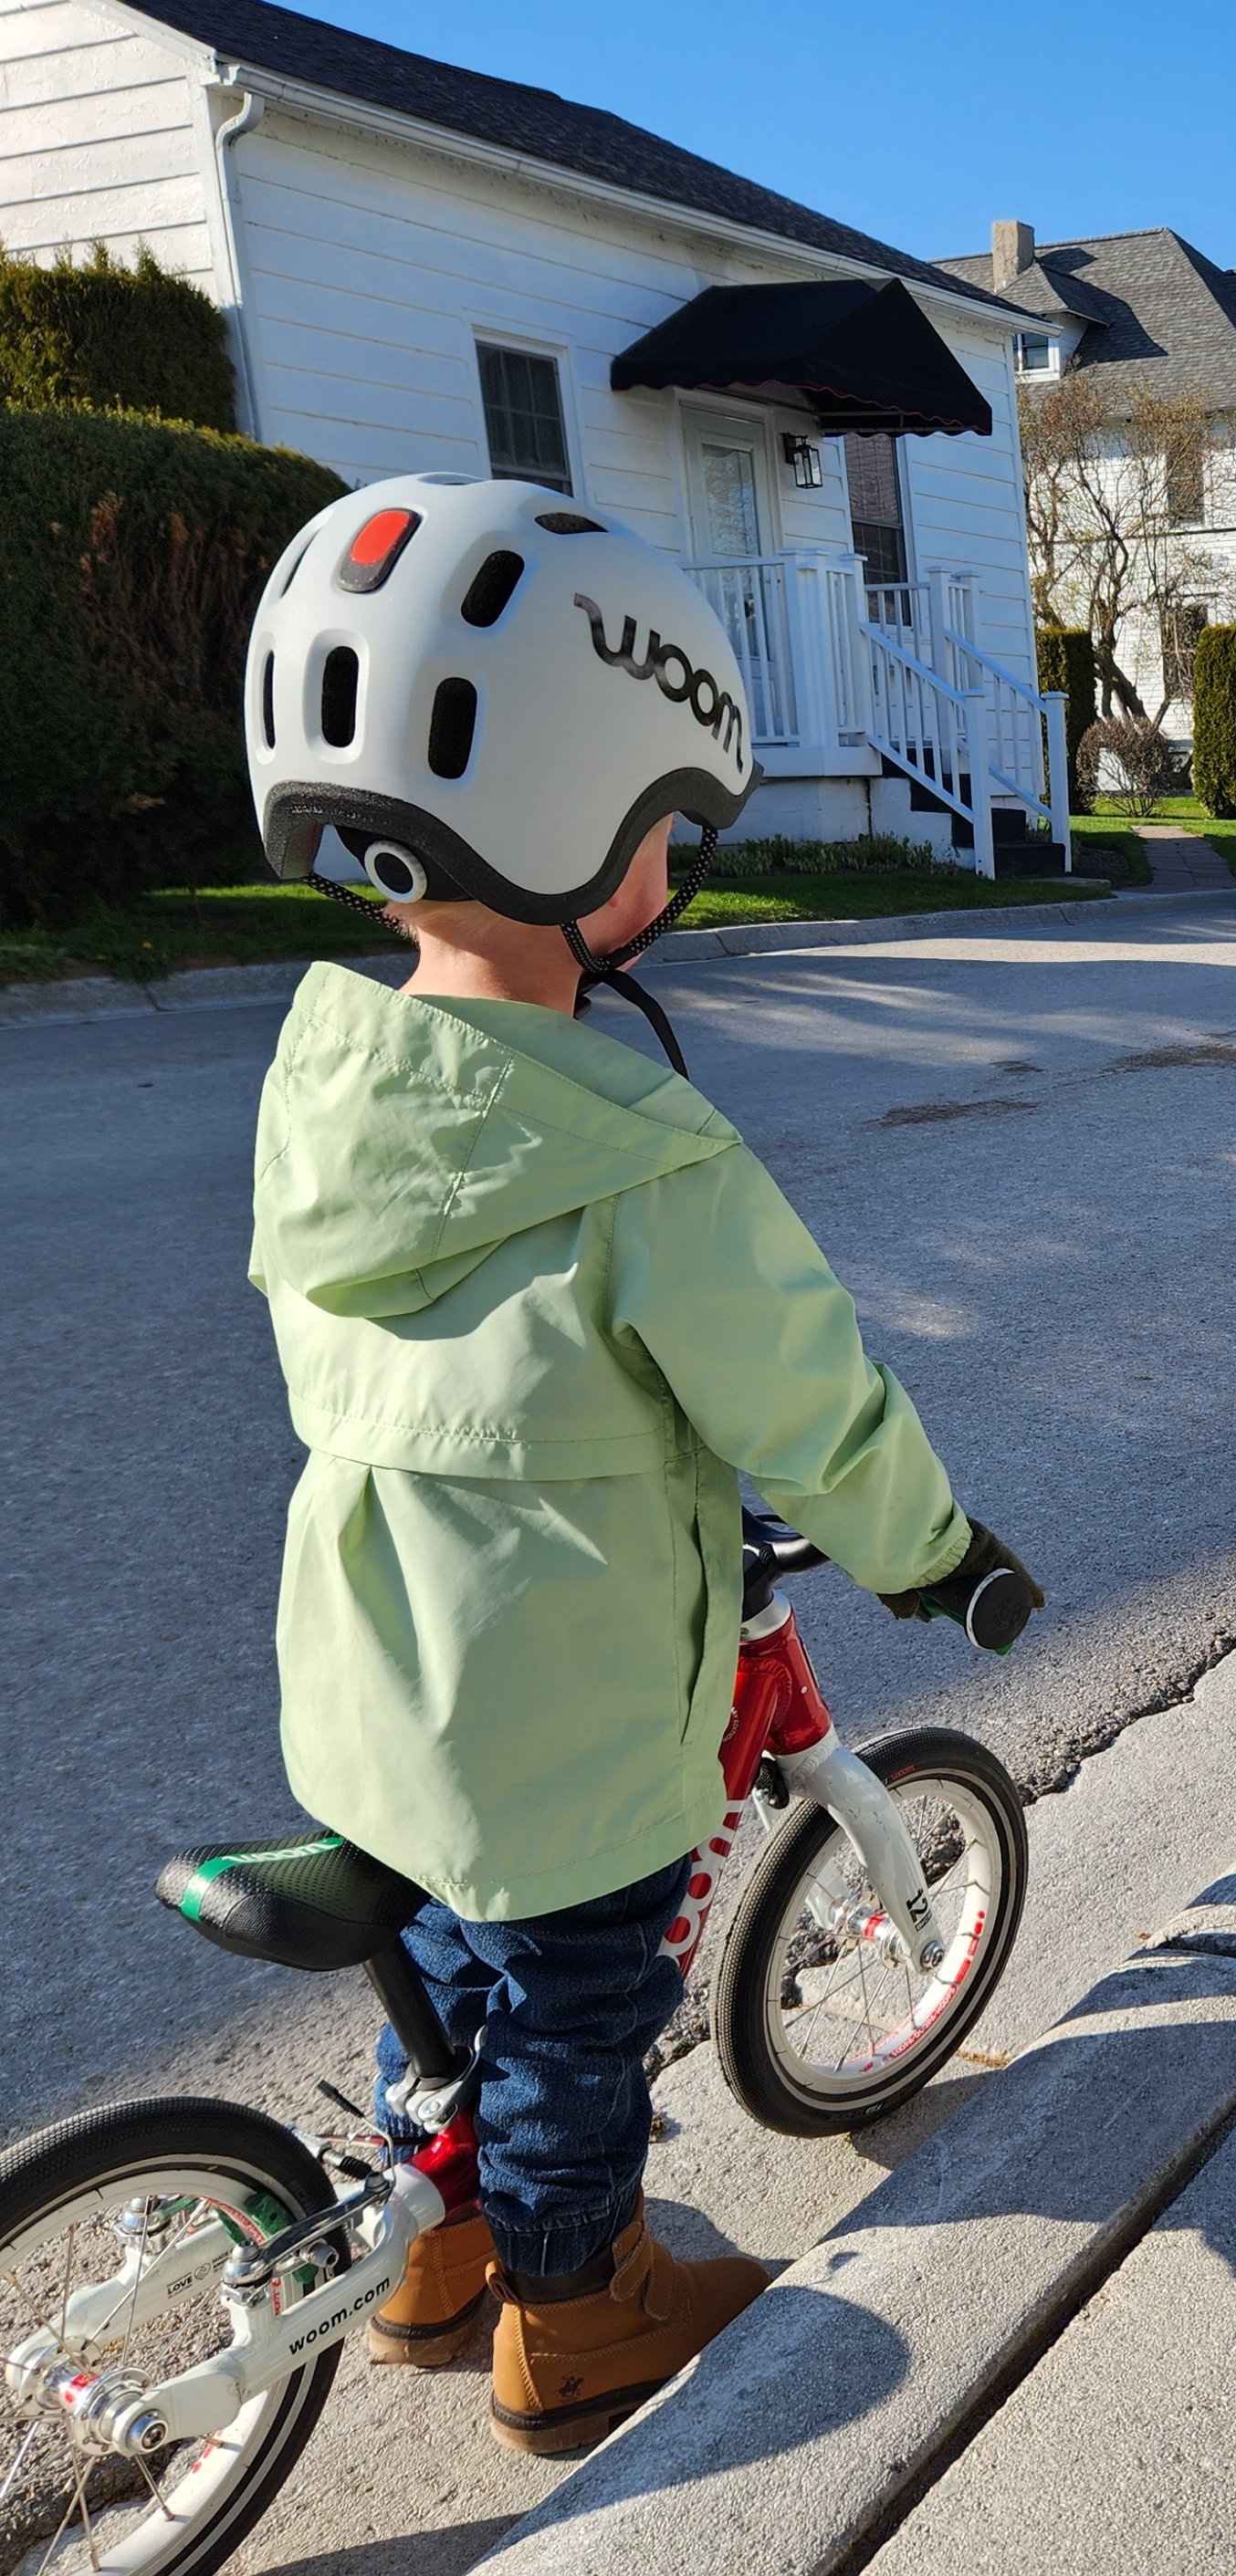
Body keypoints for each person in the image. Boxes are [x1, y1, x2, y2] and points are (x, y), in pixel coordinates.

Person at [241, 475, 1041, 2456]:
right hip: (568, 1719)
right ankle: (576, 2309)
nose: (677, 860)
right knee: (585, 1997)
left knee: (438, 1955)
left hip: (370, 1684)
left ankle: (424, 2261)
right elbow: (809, 1402)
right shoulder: (647, 1156)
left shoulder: (321, 1084)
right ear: (581, 822)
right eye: (670, 823)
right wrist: (940, 1556)